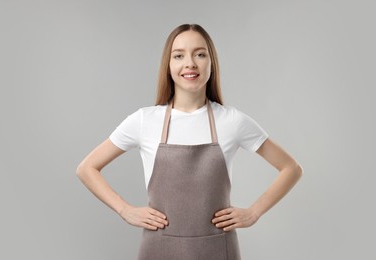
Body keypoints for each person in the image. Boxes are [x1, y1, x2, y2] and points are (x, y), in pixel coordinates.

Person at [76, 24, 303, 259]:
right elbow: (86, 168)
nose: (190, 63)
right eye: (179, 55)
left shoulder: (232, 121)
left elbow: (291, 168)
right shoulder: (144, 120)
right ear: (169, 65)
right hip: (158, 248)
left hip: (218, 248)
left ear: (211, 62)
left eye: (200, 54)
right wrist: (124, 210)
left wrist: (254, 212)